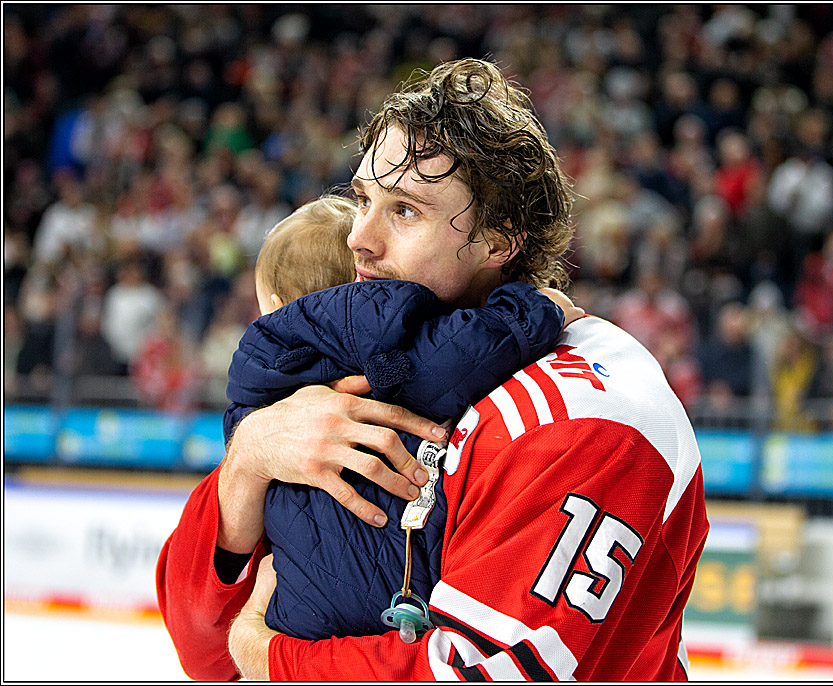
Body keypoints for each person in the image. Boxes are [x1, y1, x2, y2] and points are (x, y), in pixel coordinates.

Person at [157, 58, 708, 681]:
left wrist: (267, 654)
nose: (358, 239)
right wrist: (249, 461)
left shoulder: (592, 421)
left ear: (501, 242)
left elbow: (477, 672)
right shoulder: (351, 378)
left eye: (406, 211)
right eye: (363, 200)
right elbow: (201, 647)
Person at [229, 192, 578, 641]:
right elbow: (442, 363)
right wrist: (533, 310)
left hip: (298, 615)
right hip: (400, 602)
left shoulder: (258, 361)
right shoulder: (354, 317)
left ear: (274, 302)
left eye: (404, 210)